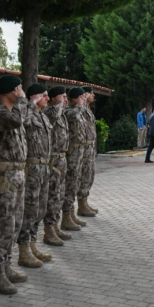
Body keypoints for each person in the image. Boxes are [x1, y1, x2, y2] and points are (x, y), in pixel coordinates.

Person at [0, 75, 31, 295]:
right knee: (3, 226)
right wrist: (23, 100)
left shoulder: (15, 112)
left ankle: (7, 265)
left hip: (17, 175)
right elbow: (16, 121)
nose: (22, 91)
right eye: (18, 88)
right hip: (4, 177)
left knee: (15, 224)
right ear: (9, 91)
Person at [17, 84, 53, 268]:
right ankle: (24, 251)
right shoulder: (28, 114)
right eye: (44, 96)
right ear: (35, 96)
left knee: (39, 209)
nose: (48, 99)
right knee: (29, 211)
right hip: (31, 169)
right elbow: (19, 120)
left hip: (44, 169)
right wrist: (29, 102)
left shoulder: (42, 116)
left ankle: (33, 245)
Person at [42, 86, 79, 244]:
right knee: (52, 196)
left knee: (59, 194)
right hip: (53, 160)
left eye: (66, 97)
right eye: (62, 97)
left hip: (62, 159)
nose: (65, 100)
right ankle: (49, 230)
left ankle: (55, 226)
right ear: (53, 99)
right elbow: (51, 116)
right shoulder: (49, 112)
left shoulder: (61, 114)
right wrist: (57, 104)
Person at [62, 87, 90, 230]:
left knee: (76, 182)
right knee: (70, 183)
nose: (84, 99)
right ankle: (66, 216)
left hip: (79, 152)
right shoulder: (68, 111)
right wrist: (80, 104)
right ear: (74, 99)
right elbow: (72, 115)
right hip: (72, 153)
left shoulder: (80, 110)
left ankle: (71, 213)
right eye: (81, 97)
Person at [77, 86, 98, 217]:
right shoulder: (80, 109)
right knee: (83, 176)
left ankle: (84, 202)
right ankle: (81, 204)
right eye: (91, 93)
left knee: (89, 176)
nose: (93, 95)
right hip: (83, 150)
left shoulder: (88, 110)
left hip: (90, 149)